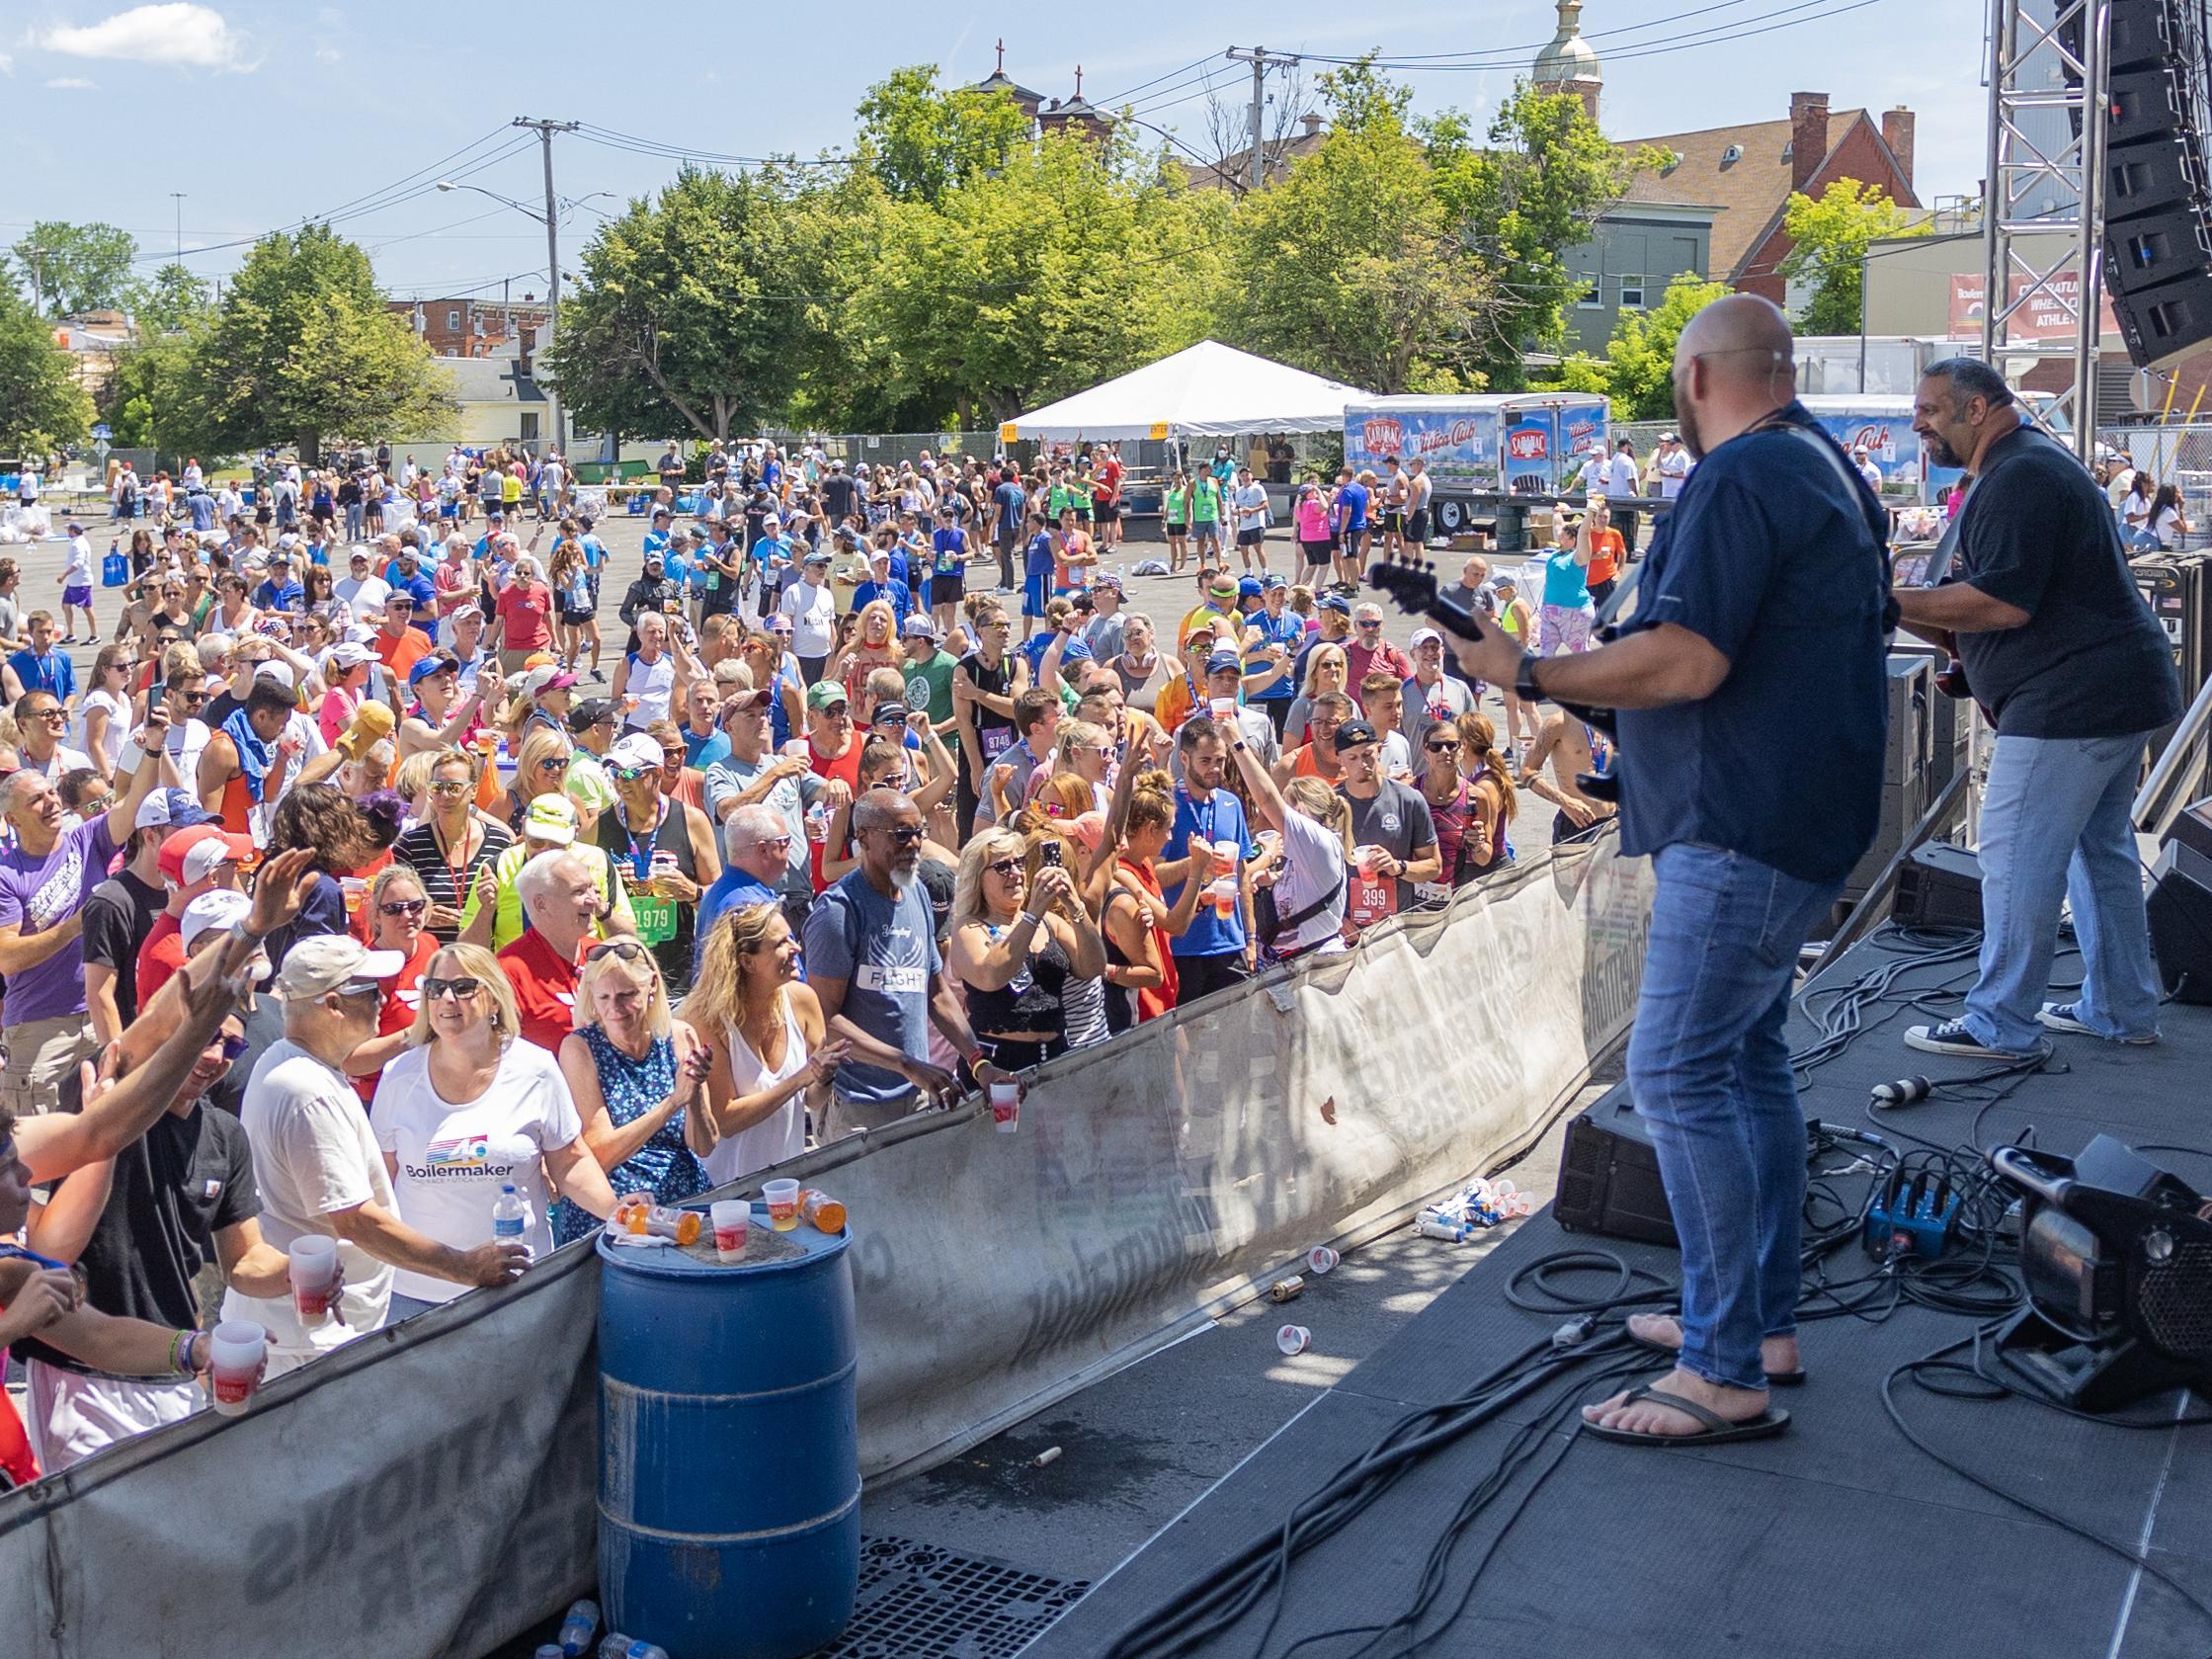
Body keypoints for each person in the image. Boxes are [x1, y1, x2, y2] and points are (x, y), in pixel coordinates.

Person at [1449, 292, 1889, 1446]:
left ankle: (1721, 1365)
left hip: (1737, 823)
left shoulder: (1739, 477)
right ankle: (1756, 1322)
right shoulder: (1825, 466)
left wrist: (1533, 675)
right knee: (1745, 1062)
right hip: (1795, 814)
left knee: (1678, 1068)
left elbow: (1688, 659)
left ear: (1695, 377)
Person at [1896, 359, 2181, 1059]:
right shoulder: (2022, 470)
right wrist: (1971, 665)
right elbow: (2031, 601)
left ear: (1978, 408)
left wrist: (1879, 599)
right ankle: (2120, 1008)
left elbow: (2001, 601)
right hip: (2113, 690)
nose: (1916, 423)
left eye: (1930, 408)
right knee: (2098, 852)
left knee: (2017, 854)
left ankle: (2000, 1024)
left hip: (2072, 703)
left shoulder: (2020, 475)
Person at [15, 1000, 296, 1473]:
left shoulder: (226, 1136)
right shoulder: (111, 1108)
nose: (214, 1056)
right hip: (83, 1370)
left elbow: (245, 1264)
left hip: (177, 1362)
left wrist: (303, 1272)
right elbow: (129, 1048)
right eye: (205, 1036)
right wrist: (242, 940)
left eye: (231, 1044)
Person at [230, 934, 532, 1372]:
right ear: (333, 1005)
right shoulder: (307, 1090)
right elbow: (357, 1220)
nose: (384, 1000)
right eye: (371, 991)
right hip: (309, 1344)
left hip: (307, 1334)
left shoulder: (288, 1065)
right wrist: (465, 1267)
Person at [370, 944, 619, 1318]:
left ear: (494, 998)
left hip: (517, 1288)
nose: (447, 999)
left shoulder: (535, 1069)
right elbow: (381, 1183)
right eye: (435, 989)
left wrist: (617, 1212)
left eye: (463, 987)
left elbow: (569, 1161)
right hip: (416, 1295)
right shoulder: (398, 1076)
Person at [800, 788, 1017, 1137]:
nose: (914, 843)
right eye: (901, 835)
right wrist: (904, 1063)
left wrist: (978, 1062)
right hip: (858, 1106)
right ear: (863, 839)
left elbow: (936, 993)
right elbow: (824, 1020)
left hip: (918, 1096)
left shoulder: (917, 893)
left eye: (920, 831)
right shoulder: (838, 912)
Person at [0, 719, 174, 1117]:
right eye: (36, 801)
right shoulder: (7, 875)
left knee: (103, 1137)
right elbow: (6, 957)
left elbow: (132, 809)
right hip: (41, 1029)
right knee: (39, 1157)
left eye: (50, 793)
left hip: (102, 1014)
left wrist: (151, 751)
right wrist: (75, 926)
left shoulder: (86, 838)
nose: (51, 803)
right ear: (13, 821)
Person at [549, 941, 713, 1244]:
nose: (615, 1008)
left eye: (627, 995)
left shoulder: (679, 1035)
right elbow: (598, 1154)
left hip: (683, 1208)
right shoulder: (581, 1048)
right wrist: (672, 1103)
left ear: (651, 985)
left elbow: (704, 1145)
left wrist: (695, 1094)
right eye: (604, 997)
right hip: (618, 1220)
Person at [684, 902, 845, 1184]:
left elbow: (813, 1099)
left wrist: (823, 1078)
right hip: (727, 1190)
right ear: (748, 961)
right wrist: (799, 1079)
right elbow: (725, 1120)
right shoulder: (709, 1021)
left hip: (787, 1184)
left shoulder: (802, 1001)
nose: (796, 948)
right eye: (781, 943)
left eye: (792, 938)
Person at [948, 828, 1106, 1072]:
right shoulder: (968, 927)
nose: (1016, 874)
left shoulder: (1050, 922)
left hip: (1056, 1054)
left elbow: (1094, 967)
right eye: (1002, 867)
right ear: (978, 877)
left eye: (1020, 863)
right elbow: (990, 977)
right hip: (999, 1062)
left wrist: (1075, 907)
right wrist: (1032, 914)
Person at [598, 732, 719, 995]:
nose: (621, 783)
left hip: (679, 974)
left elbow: (719, 894)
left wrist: (693, 892)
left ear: (657, 773)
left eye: (630, 774)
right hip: (618, 973)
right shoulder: (598, 826)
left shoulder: (692, 821)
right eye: (616, 774)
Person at [1226, 735, 1351, 960]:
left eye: (1288, 808)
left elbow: (1265, 799)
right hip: (1294, 963)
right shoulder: (1307, 850)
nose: (1278, 820)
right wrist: (1274, 880)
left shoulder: (1318, 840)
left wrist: (1236, 742)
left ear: (1302, 810)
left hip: (1315, 966)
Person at [1158, 717, 1257, 1001]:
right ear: (1184, 758)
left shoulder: (1231, 803)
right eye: (1205, 761)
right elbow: (1153, 874)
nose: (1215, 768)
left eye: (1220, 760)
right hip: (1183, 946)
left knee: (1233, 1036)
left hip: (1230, 943)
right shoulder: (1168, 804)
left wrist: (1250, 938)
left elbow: (1242, 873)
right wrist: (1195, 865)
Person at [1334, 717, 1440, 930]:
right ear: (1339, 760)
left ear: (1379, 749)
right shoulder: (1330, 805)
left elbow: (1434, 866)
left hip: (1397, 926)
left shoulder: (1409, 799)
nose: (1362, 764)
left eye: (1367, 754)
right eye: (1352, 758)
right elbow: (1313, 874)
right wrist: (1337, 920)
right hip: (1348, 929)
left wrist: (1398, 867)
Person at [496, 848, 605, 1052]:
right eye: (579, 892)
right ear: (541, 904)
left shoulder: (601, 954)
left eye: (592, 888)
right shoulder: (509, 971)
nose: (593, 900)